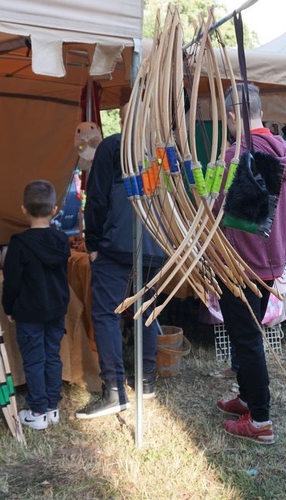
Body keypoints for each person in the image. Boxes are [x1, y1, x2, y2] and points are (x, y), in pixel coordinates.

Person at [213, 83, 286, 445]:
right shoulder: (282, 148)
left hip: (243, 261)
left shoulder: (241, 152)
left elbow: (219, 208)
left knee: (247, 338)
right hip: (268, 257)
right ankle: (247, 398)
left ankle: (260, 420)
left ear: (233, 116)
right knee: (242, 332)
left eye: (227, 119)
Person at [75, 108, 165, 420]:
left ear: (126, 120)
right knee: (146, 309)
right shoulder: (163, 151)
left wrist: (94, 243)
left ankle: (114, 390)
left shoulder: (114, 147)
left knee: (106, 314)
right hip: (156, 245)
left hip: (119, 245)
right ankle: (146, 381)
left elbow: (97, 199)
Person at [2, 180, 71, 430]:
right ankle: (52, 407)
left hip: (29, 312)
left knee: (34, 359)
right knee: (52, 355)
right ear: (54, 210)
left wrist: (8, 308)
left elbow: (12, 283)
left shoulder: (19, 244)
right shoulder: (62, 240)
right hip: (55, 310)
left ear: (23, 209)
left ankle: (38, 411)